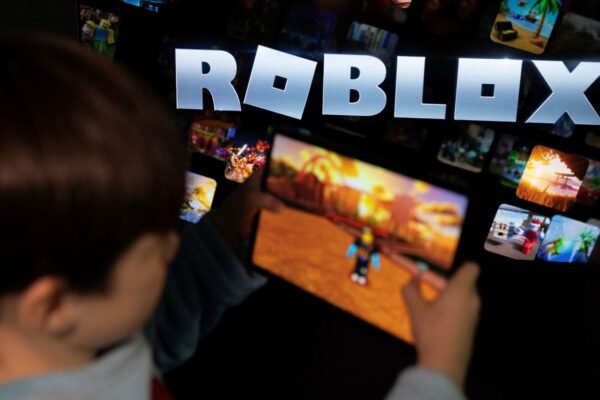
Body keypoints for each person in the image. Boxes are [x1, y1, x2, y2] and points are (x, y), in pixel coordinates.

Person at [0, 33, 481, 400]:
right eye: (154, 247)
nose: (173, 243)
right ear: (53, 306)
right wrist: (439, 371)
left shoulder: (58, 338)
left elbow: (145, 338)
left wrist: (226, 234)